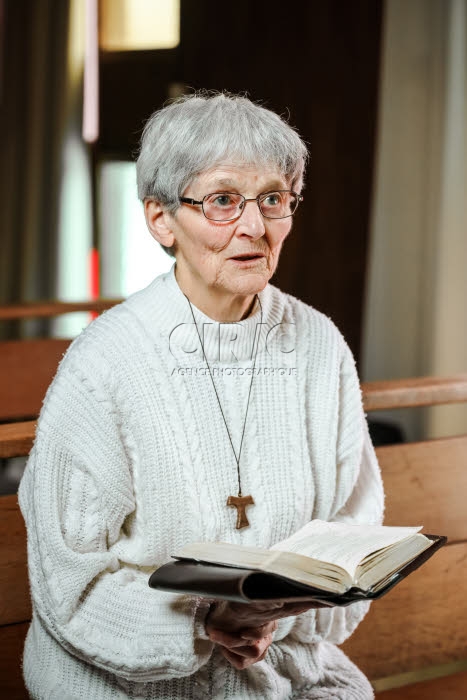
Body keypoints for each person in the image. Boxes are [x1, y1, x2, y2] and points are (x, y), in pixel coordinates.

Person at [19, 91, 384, 699]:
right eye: (222, 201)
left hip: (284, 670)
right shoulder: (103, 365)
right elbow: (71, 584)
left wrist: (278, 613)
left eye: (273, 198)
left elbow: (355, 522)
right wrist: (206, 622)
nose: (254, 226)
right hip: (125, 682)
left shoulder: (319, 345)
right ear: (161, 218)